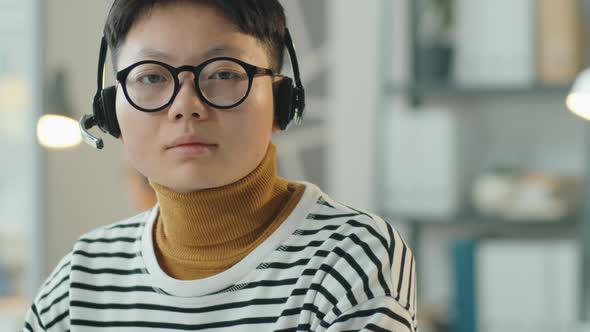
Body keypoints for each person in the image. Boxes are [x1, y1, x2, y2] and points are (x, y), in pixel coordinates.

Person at [24, 0, 417, 331]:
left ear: (282, 101)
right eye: (151, 77)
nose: (185, 105)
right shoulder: (81, 278)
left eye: (224, 73)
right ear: (110, 112)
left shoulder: (349, 257)